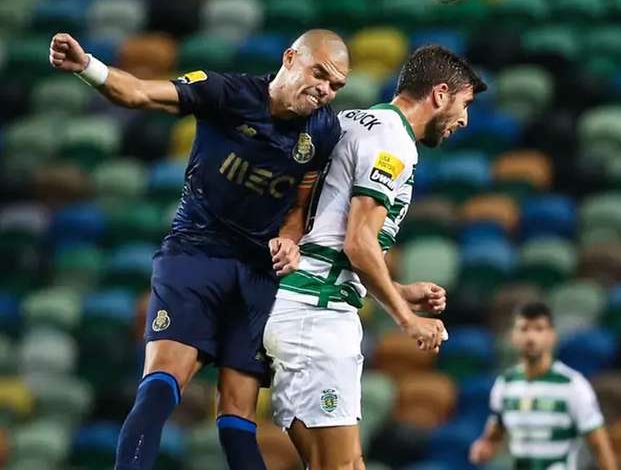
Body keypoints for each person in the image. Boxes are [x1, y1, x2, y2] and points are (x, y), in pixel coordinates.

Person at [48, 30, 350, 470]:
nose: (325, 90)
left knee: (237, 418)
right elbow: (138, 94)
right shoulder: (226, 93)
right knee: (160, 386)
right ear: (290, 58)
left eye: (335, 85)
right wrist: (88, 67)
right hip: (195, 255)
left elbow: (299, 205)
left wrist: (289, 238)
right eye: (319, 74)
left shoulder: (323, 130)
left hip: (257, 274)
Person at [265, 44, 487, 469]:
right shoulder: (393, 143)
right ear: (440, 94)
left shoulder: (351, 121)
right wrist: (408, 317)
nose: (465, 120)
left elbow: (329, 237)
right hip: (317, 317)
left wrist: (397, 289)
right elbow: (358, 242)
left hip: (295, 303)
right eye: (465, 104)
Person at [469, 301, 618, 470]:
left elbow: (599, 443)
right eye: (524, 329)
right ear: (513, 336)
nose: (531, 337)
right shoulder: (506, 384)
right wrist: (484, 446)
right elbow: (495, 431)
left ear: (552, 336)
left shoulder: (572, 385)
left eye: (539, 329)